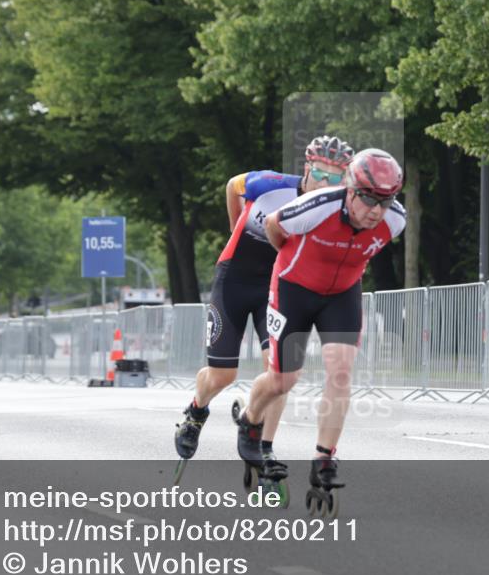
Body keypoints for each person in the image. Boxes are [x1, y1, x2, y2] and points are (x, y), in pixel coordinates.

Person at [234, 148, 406, 514]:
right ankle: (250, 421)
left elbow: (362, 248)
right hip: (294, 288)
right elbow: (273, 227)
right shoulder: (317, 206)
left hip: (342, 293)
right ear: (349, 189)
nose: (376, 210)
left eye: (385, 201)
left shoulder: (396, 221)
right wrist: (297, 260)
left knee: (341, 372)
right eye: (368, 199)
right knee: (283, 380)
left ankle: (324, 459)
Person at [174, 136, 355, 470]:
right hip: (234, 278)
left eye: (335, 178)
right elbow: (232, 185)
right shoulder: (270, 184)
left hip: (275, 287)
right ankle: (197, 410)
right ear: (306, 167)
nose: (325, 182)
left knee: (279, 370)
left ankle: (264, 444)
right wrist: (235, 227)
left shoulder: (335, 208)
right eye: (320, 173)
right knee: (222, 375)